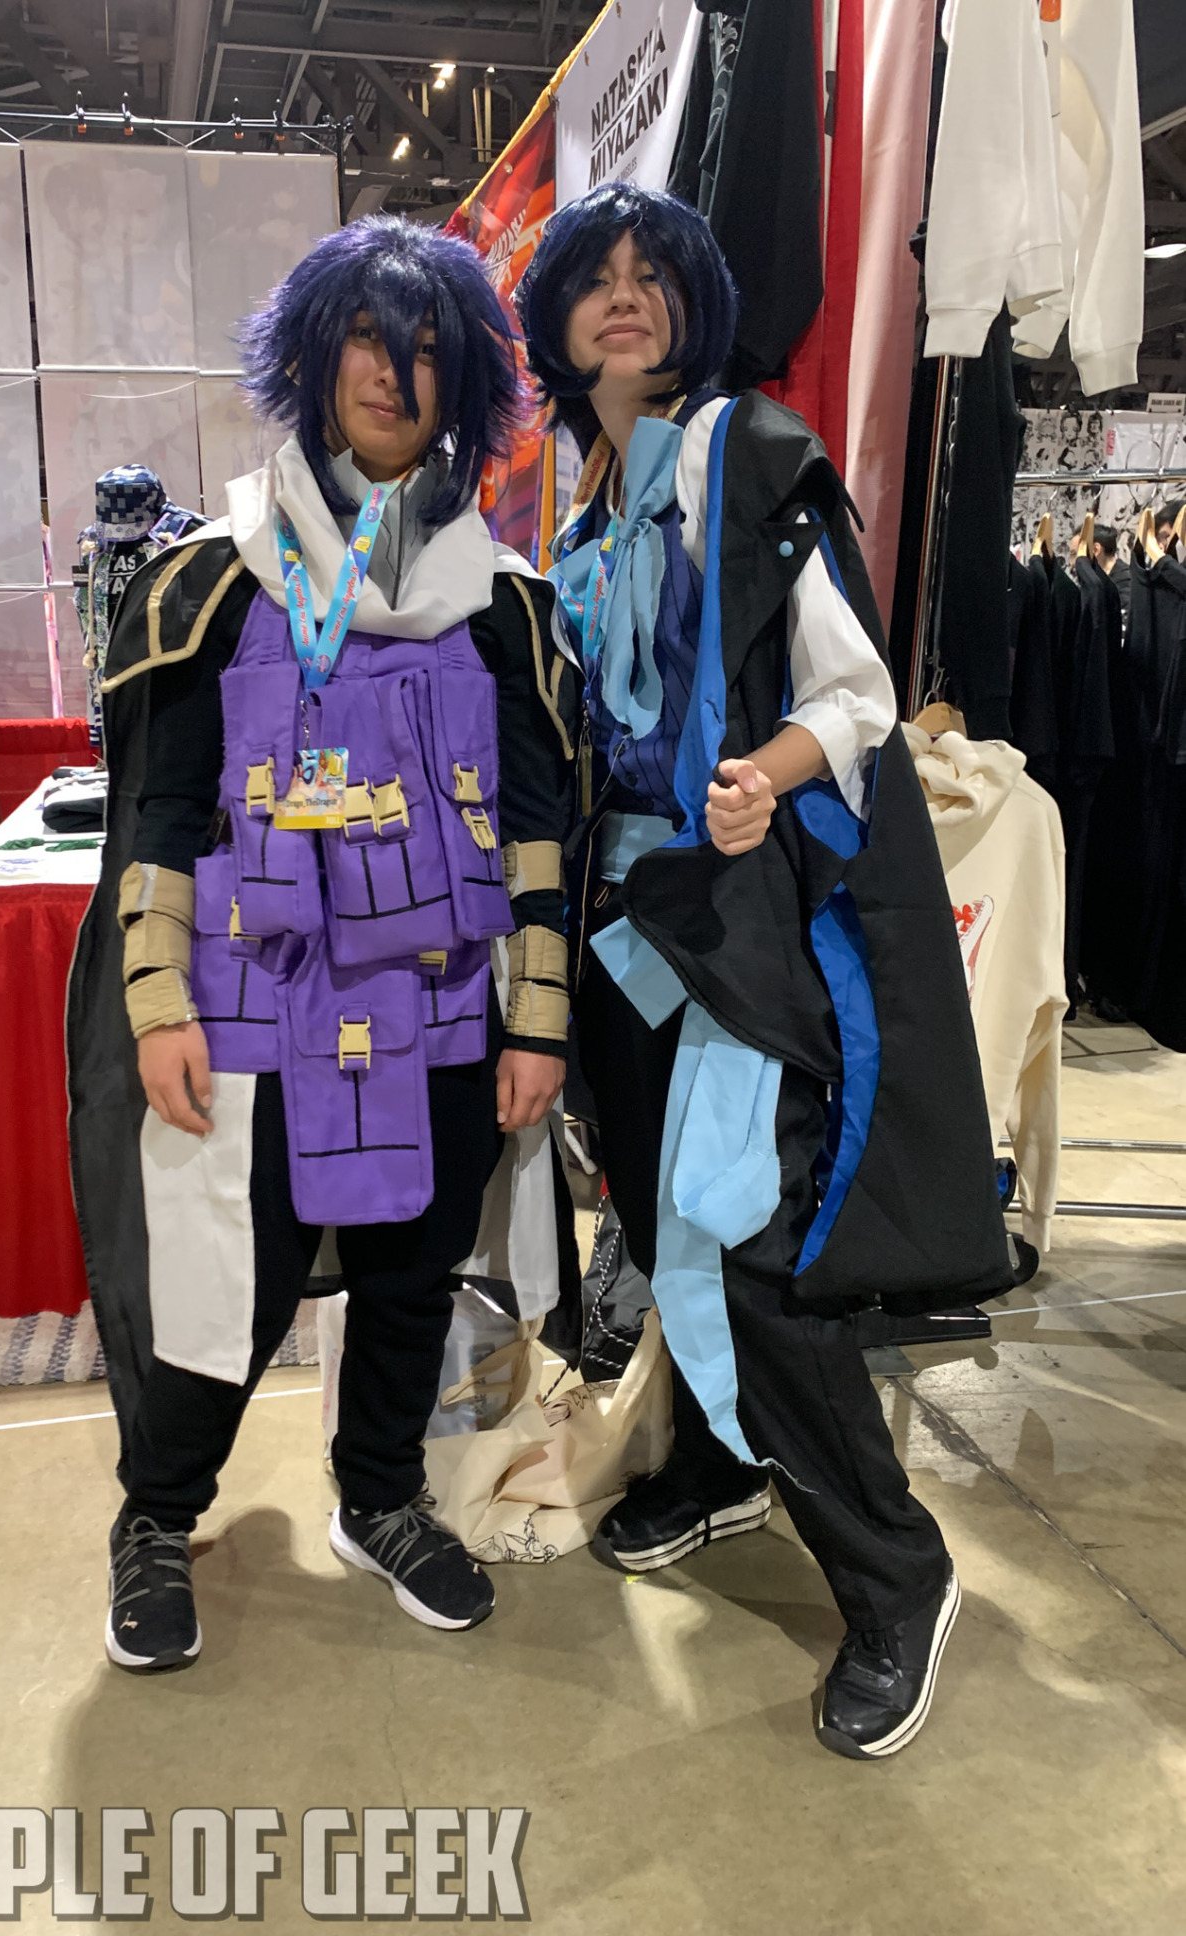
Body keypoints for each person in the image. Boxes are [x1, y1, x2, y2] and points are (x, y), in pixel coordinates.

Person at [516, 184, 1011, 1759]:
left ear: (695, 304)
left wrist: (763, 776)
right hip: (626, 930)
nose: (625, 293)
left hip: (738, 918)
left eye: (653, 272)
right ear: (556, 320)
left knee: (751, 1243)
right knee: (660, 1225)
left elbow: (854, 693)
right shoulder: (583, 507)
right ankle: (727, 1468)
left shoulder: (750, 451)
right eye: (595, 276)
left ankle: (898, 1575)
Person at [66, 217, 578, 1671]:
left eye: (426, 348)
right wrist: (156, 1001)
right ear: (311, 357)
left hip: (442, 1010)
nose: (393, 373)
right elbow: (162, 815)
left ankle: (380, 1497)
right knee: (226, 1285)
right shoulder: (214, 580)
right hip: (250, 1006)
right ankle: (159, 1515)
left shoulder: (501, 604)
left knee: (416, 1272)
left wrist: (536, 1023)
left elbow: (536, 835)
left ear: (462, 382)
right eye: (366, 337)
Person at [1092, 523, 1130, 628]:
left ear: (1096, 550)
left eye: (1076, 553)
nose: (1073, 562)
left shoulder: (1126, 583)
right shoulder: (1096, 580)